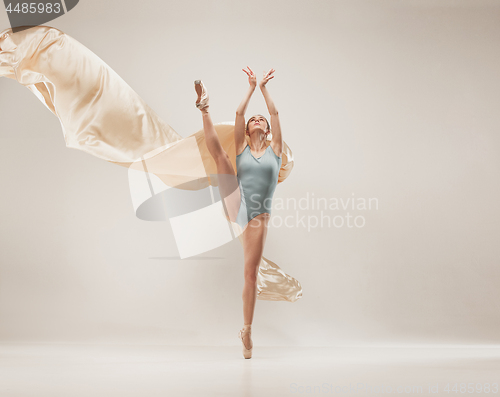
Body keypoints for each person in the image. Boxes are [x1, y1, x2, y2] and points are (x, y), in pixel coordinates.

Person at [194, 67, 283, 359]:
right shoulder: (242, 147)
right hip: (237, 204)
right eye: (253, 119)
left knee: (249, 274)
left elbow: (276, 115)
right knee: (222, 158)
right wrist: (250, 88)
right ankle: (204, 108)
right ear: (247, 130)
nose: (258, 120)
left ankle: (246, 330)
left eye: (262, 120)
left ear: (267, 130)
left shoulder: (276, 151)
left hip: (258, 217)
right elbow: (238, 115)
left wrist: (264, 89)